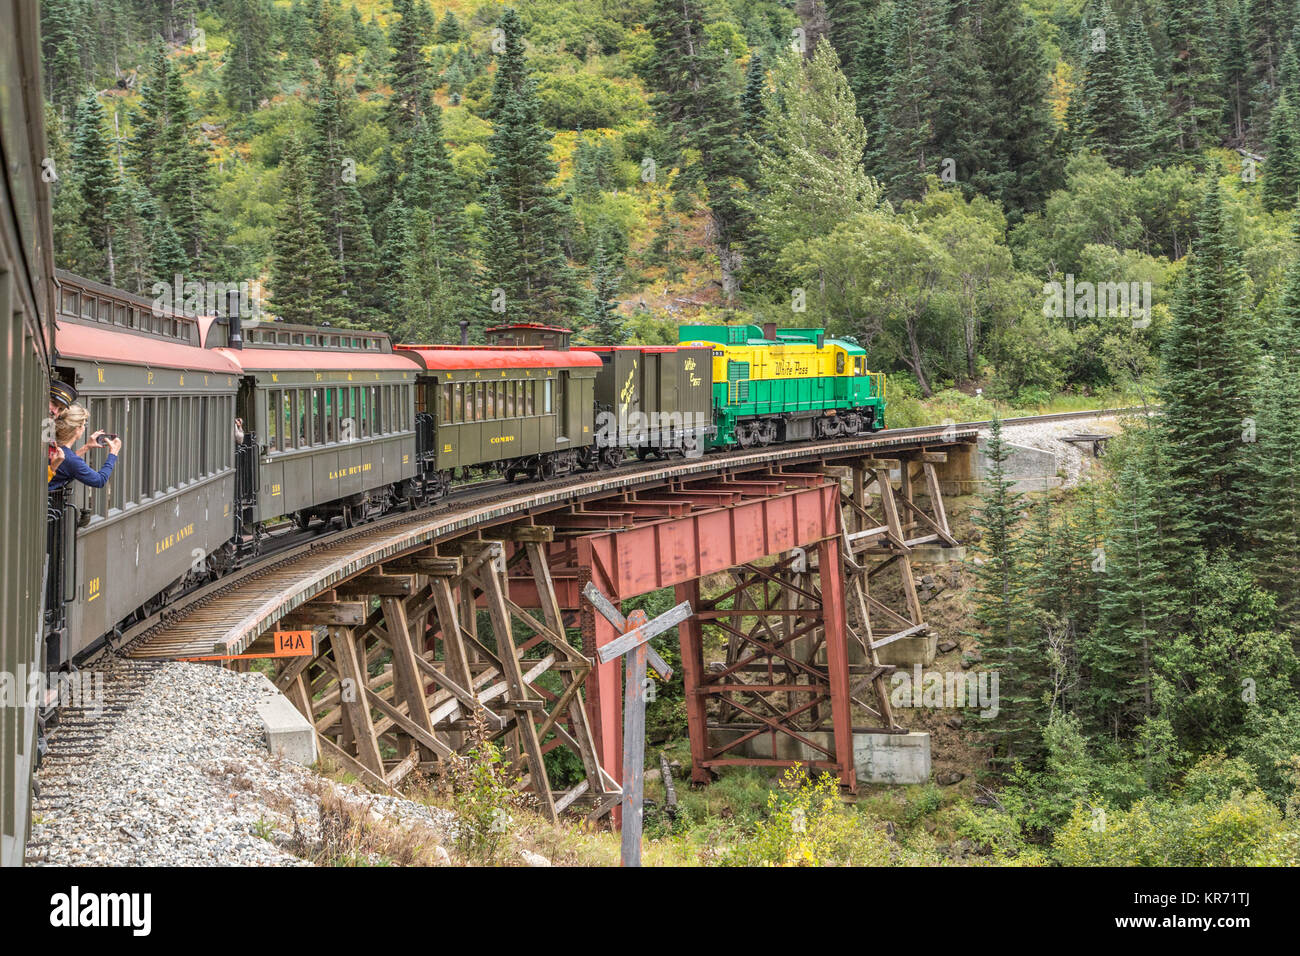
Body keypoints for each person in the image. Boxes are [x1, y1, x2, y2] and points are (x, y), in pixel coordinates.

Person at [49, 404, 121, 492]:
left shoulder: (53, 446)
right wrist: (113, 453)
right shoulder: (70, 459)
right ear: (77, 429)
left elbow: (65, 463)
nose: (84, 428)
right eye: (84, 424)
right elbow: (99, 481)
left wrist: (86, 447)